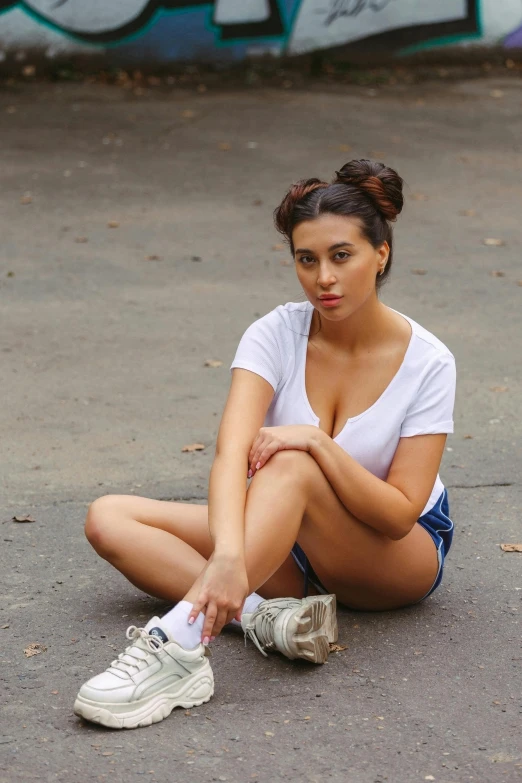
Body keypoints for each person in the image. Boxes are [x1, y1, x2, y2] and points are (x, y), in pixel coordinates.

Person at [73, 159, 456, 730]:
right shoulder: (274, 333)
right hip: (287, 536)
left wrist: (317, 445)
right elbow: (231, 455)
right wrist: (229, 554)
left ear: (381, 254)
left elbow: (399, 514)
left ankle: (178, 643)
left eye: (341, 256)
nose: (323, 277)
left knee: (295, 462)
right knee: (109, 517)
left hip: (391, 553)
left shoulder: (429, 361)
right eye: (307, 259)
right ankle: (264, 618)